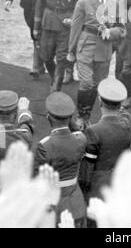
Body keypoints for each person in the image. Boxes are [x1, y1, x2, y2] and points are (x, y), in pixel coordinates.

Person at [68, 0, 125, 129]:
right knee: (86, 82)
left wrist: (111, 32)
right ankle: (81, 115)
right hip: (86, 46)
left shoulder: (115, 4)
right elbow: (75, 28)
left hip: (104, 49)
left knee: (98, 84)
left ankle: (87, 115)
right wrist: (71, 51)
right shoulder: (84, 2)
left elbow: (122, 29)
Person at [33, 0, 84, 92]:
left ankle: (56, 87)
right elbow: (40, 2)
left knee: (62, 58)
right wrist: (36, 26)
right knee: (45, 55)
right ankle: (54, 78)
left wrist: (74, 20)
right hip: (48, 22)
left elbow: (81, 5)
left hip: (65, 24)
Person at [34, 91, 87, 228]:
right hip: (77, 202)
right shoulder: (81, 139)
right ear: (70, 118)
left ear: (48, 117)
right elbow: (75, 132)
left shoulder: (44, 145)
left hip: (55, 206)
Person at [79, 78, 131, 202]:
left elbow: (87, 168)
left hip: (98, 188)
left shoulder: (93, 131)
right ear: (120, 104)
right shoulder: (127, 125)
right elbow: (125, 115)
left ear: (100, 101)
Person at [0, 91, 34, 159]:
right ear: (16, 114)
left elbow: (3, 137)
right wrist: (23, 112)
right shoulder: (24, 135)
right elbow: (27, 128)